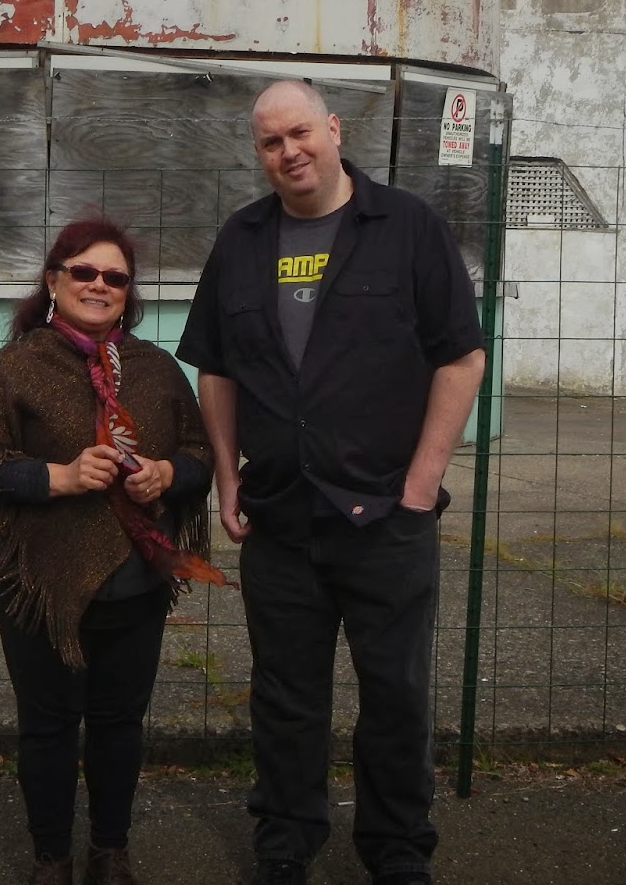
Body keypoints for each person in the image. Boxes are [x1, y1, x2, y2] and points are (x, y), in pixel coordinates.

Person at [176, 79, 486, 885]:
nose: (290, 152)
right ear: (260, 154)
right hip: (281, 520)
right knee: (285, 702)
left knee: (396, 698)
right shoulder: (241, 241)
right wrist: (225, 479)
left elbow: (461, 355)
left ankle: (396, 850)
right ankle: (284, 845)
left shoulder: (409, 227)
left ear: (334, 129)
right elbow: (215, 367)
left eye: (301, 133)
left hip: (386, 516)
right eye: (272, 142)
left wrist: (422, 486)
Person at [0, 218, 219, 885]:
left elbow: (201, 456)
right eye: (84, 272)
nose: (99, 285)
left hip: (137, 581)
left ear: (128, 293)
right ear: (54, 280)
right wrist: (60, 477)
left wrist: (165, 472)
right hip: (39, 579)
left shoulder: (158, 370)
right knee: (46, 728)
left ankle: (110, 852)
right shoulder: (18, 364)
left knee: (118, 723)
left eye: (115, 277)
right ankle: (52, 859)